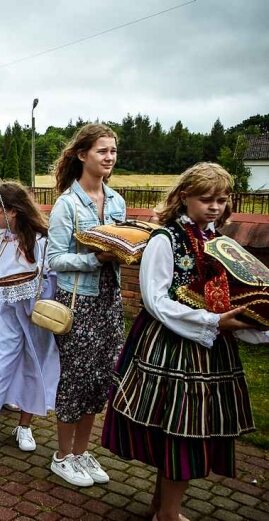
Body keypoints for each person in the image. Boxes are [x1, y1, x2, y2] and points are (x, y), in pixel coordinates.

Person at [102, 163, 267, 521]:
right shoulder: (165, 239)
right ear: (184, 197)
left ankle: (162, 508)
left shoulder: (217, 241)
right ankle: (168, 514)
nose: (215, 207)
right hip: (171, 345)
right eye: (206, 199)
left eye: (222, 200)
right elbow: (155, 300)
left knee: (186, 431)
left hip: (211, 347)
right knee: (182, 432)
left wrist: (252, 320)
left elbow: (232, 291)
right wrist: (211, 321)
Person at [46, 123, 126, 487]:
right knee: (76, 378)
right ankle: (62, 456)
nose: (109, 157)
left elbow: (120, 243)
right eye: (102, 151)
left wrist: (126, 250)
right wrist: (95, 259)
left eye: (112, 151)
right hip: (78, 302)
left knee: (100, 378)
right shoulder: (67, 203)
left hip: (109, 299)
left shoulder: (117, 201)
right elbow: (55, 258)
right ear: (82, 155)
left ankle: (81, 451)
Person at [0, 181, 59, 456]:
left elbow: (52, 276)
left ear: (13, 211)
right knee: (0, 365)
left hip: (36, 317)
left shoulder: (43, 241)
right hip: (6, 314)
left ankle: (25, 425)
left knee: (34, 365)